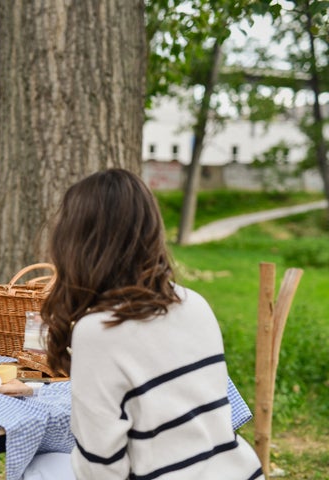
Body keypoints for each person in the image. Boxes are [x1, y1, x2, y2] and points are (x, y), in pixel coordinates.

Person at [40, 169, 264, 479]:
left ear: (77, 243)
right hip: (238, 473)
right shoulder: (193, 302)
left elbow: (100, 470)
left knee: (40, 466)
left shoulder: (98, 331)